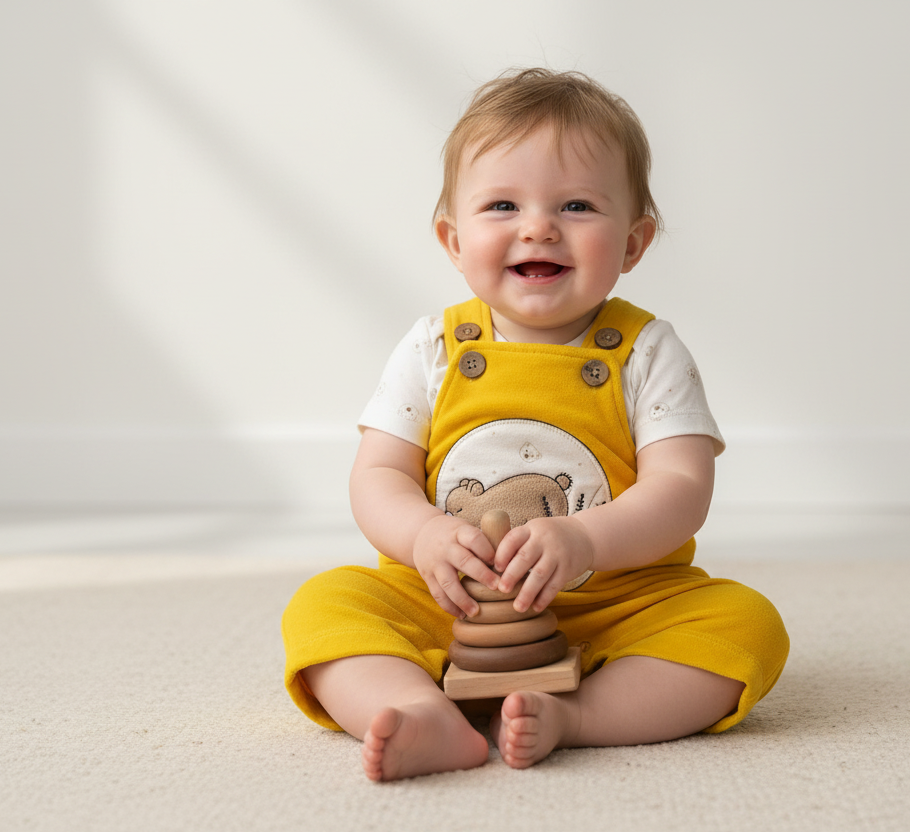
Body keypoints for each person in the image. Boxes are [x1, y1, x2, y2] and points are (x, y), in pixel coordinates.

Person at [282, 67, 789, 782]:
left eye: (577, 205)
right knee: (323, 606)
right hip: (446, 599)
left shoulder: (647, 352)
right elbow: (378, 476)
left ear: (634, 243)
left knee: (747, 624)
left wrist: (585, 538)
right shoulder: (432, 349)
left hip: (614, 602)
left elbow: (681, 487)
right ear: (453, 240)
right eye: (502, 205)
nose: (538, 227)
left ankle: (577, 715)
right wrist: (424, 535)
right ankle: (418, 711)